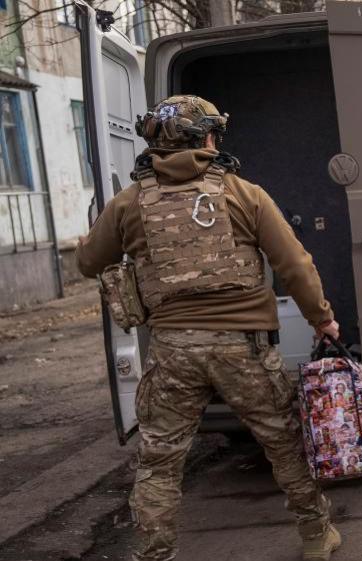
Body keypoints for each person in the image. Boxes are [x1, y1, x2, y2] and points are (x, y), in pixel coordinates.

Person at [76, 95, 341, 561]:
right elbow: (295, 265)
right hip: (246, 349)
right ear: (210, 137)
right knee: (283, 443)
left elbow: (88, 263)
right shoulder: (244, 193)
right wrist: (322, 319)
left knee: (160, 461)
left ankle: (155, 554)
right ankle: (317, 534)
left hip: (173, 350)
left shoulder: (127, 205)